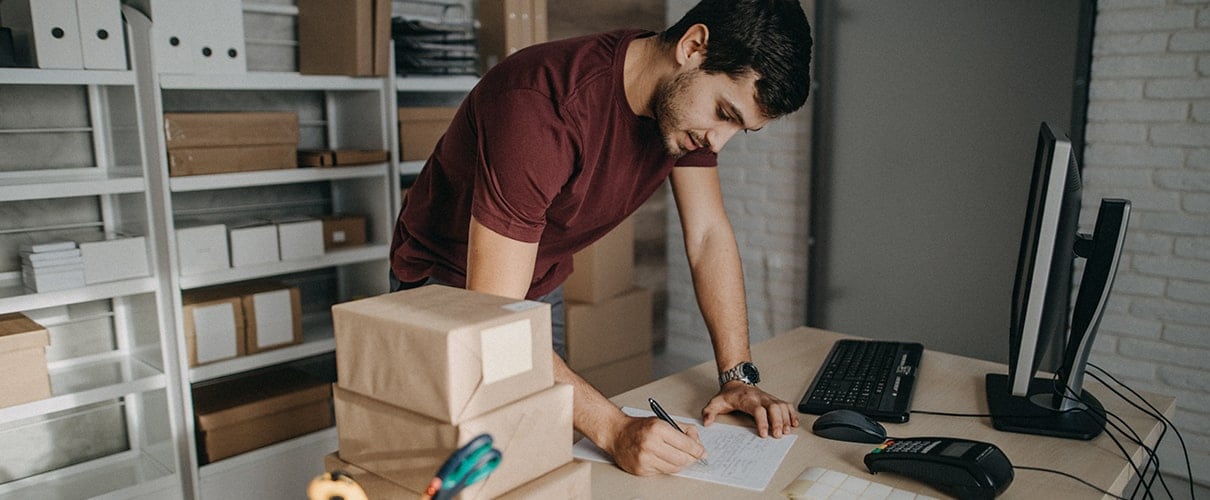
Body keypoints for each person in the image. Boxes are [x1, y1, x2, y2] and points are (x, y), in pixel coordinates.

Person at [390, 0, 813, 476]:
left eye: (741, 128)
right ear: (693, 47)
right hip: (446, 287)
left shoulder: (678, 110)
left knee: (538, 456)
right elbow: (491, 313)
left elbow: (709, 235)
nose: (719, 142)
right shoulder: (543, 106)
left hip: (534, 281)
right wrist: (613, 428)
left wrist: (737, 375)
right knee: (454, 470)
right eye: (723, 113)